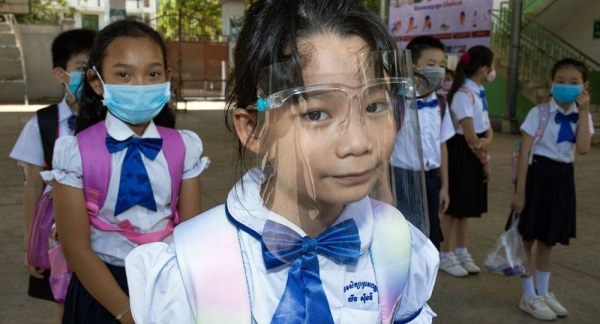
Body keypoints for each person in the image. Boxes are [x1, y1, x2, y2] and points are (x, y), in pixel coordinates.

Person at [126, 1, 439, 323]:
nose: (359, 143)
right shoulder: (191, 264)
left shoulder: (400, 245)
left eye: (375, 107)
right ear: (253, 129)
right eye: (316, 113)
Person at [42, 19, 209, 324]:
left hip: (166, 286)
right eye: (123, 74)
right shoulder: (75, 152)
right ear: (96, 82)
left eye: (153, 74)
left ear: (167, 79)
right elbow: (76, 248)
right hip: (101, 290)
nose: (141, 86)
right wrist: (128, 313)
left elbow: (190, 233)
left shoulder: (184, 148)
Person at [8, 28, 96, 324]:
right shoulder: (44, 123)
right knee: (63, 301)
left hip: (104, 230)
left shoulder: (113, 118)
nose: (91, 77)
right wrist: (30, 246)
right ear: (60, 74)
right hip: (58, 235)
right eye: (82, 69)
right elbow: (33, 186)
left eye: (95, 68)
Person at [511, 58, 593, 321]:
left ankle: (543, 292)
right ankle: (527, 295)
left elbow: (582, 148)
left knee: (548, 239)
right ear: (550, 82)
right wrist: (520, 192)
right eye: (560, 81)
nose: (566, 86)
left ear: (584, 87)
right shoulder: (539, 113)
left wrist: (583, 113)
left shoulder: (584, 117)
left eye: (573, 83)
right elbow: (524, 154)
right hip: (537, 177)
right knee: (526, 237)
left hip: (562, 179)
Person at [391, 36, 454, 251]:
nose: (438, 70)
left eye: (441, 65)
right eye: (431, 64)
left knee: (429, 240)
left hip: (431, 179)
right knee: (403, 239)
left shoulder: (442, 103)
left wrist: (444, 186)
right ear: (412, 66)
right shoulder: (398, 101)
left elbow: (442, 145)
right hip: (402, 179)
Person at [440, 46, 495, 277]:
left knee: (466, 209)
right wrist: (484, 158)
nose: (493, 71)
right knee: (454, 209)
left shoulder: (479, 92)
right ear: (484, 69)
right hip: (462, 152)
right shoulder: (464, 94)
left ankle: (462, 250)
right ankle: (446, 254)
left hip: (474, 151)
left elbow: (488, 130)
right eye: (492, 67)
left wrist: (487, 142)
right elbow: (471, 137)